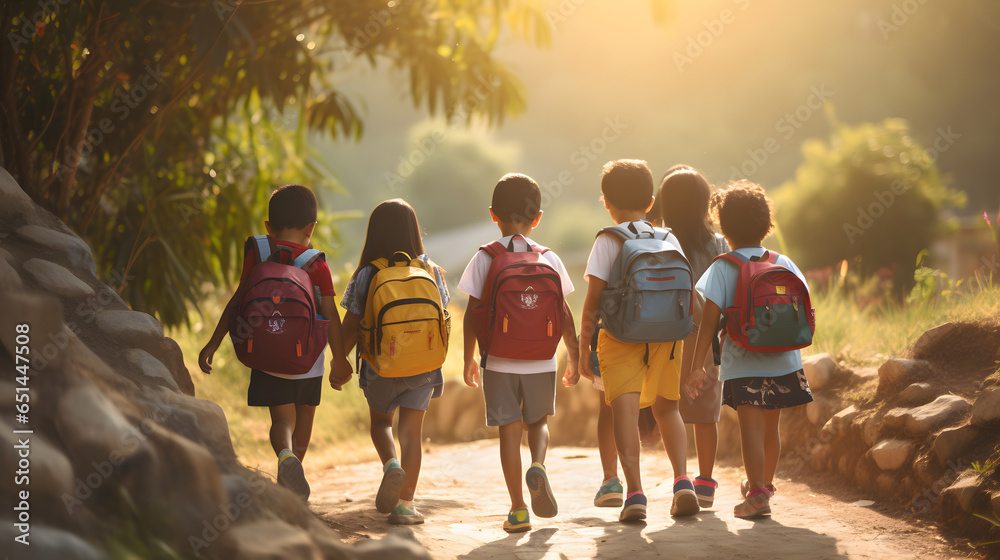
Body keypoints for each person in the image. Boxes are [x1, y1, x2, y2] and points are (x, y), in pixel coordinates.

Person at [199, 184, 353, 501]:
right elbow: (331, 316)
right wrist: (340, 359)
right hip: (308, 364)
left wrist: (213, 343)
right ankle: (293, 481)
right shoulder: (317, 265)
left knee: (281, 421)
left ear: (269, 227)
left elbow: (238, 301)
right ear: (312, 228)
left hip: (267, 358)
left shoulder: (257, 253)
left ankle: (284, 456)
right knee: (304, 429)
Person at [578, 159, 699, 523]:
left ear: (606, 202)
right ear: (650, 202)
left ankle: (635, 494)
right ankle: (682, 483)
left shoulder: (607, 239)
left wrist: (584, 349)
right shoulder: (668, 237)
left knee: (625, 413)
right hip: (668, 336)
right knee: (668, 409)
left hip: (621, 337)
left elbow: (593, 302)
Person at [685, 180, 813, 519]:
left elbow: (709, 323)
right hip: (785, 359)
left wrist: (697, 366)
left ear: (724, 228)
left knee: (751, 429)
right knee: (772, 429)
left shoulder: (723, 266)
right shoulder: (782, 261)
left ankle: (757, 493)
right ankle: (764, 485)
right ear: (766, 224)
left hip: (745, 362)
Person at [459, 173, 579, 533]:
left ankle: (518, 509)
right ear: (537, 217)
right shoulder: (550, 258)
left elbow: (470, 315)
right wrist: (574, 355)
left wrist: (468, 358)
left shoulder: (485, 257)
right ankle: (538, 464)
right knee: (538, 423)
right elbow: (565, 314)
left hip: (498, 359)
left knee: (509, 432)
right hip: (541, 358)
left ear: (493, 214)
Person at [340, 199, 448, 525]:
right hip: (423, 366)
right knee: (412, 435)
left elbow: (351, 323)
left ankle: (391, 465)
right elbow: (440, 316)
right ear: (414, 231)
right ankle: (405, 506)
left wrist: (339, 361)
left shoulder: (368, 272)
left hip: (379, 366)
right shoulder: (428, 268)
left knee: (381, 424)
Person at [658, 165, 730, 509]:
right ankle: (705, 481)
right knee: (705, 412)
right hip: (708, 338)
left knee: (670, 407)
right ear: (705, 203)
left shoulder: (659, 239)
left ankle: (681, 477)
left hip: (668, 335)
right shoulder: (718, 242)